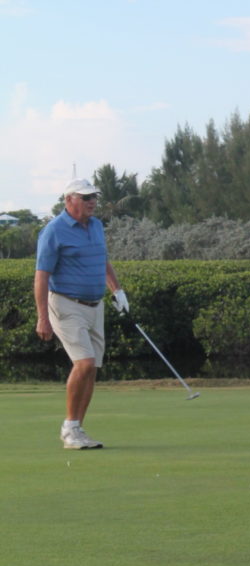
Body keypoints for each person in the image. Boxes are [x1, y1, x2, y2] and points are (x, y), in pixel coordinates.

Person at [34, 178, 129, 449]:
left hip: (94, 305)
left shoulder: (97, 226)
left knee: (92, 369)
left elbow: (102, 260)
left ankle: (77, 428)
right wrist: (42, 317)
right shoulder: (54, 231)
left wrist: (117, 292)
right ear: (69, 200)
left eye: (94, 197)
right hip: (65, 303)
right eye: (85, 197)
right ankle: (70, 427)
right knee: (84, 363)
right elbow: (41, 277)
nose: (92, 202)